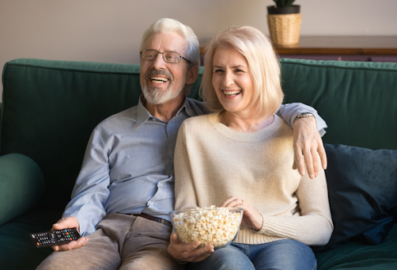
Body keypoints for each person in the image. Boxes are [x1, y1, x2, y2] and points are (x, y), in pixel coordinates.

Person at [37, 19, 328, 270]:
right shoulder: (110, 129)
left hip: (162, 235)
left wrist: (305, 118)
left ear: (191, 73)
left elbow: (261, 110)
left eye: (170, 57)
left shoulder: (214, 116)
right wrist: (73, 222)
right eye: (149, 55)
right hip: (107, 229)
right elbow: (90, 193)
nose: (157, 65)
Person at [172, 26, 333, 270]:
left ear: (261, 74)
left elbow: (322, 226)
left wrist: (261, 221)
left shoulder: (299, 133)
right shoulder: (193, 132)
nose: (226, 82)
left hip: (285, 243)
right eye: (218, 70)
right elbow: (185, 214)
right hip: (220, 248)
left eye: (238, 70)